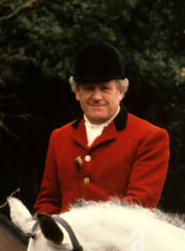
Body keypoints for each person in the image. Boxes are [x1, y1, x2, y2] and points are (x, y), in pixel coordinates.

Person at [34, 41, 169, 214]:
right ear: (77, 92)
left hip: (120, 239)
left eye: (105, 88)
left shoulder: (150, 137)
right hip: (63, 240)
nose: (97, 97)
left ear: (120, 91)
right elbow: (48, 202)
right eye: (89, 88)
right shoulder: (59, 137)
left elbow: (138, 206)